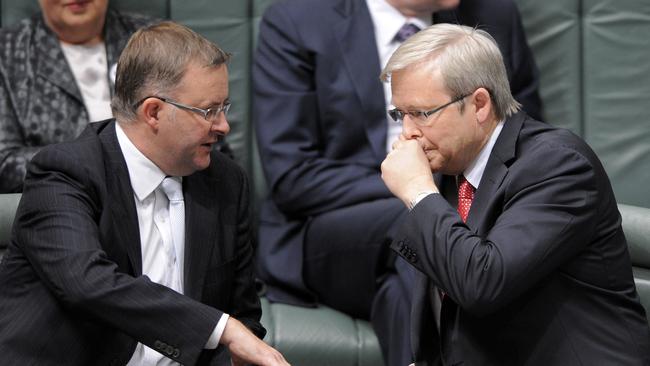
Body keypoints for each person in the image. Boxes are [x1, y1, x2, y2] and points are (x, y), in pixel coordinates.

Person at [253, 0, 541, 364]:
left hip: (457, 219)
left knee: (404, 284)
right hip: (327, 229)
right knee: (418, 225)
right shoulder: (299, 18)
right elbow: (293, 176)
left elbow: (518, 140)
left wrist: (430, 195)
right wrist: (415, 185)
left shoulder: (492, 14)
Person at [0, 21, 289, 366]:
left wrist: (238, 347)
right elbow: (88, 283)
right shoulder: (64, 173)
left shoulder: (226, 182)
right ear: (153, 111)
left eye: (224, 109)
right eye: (209, 111)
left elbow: (242, 314)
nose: (223, 126)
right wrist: (222, 329)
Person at [380, 23, 650, 365]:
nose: (407, 133)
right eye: (400, 114)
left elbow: (482, 284)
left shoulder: (558, 165)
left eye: (421, 114)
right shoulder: (451, 171)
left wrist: (418, 192)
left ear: (479, 104)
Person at [0, 0, 152, 192]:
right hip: (59, 201)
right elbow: (3, 163)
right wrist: (95, 160)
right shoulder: (7, 52)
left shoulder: (154, 39)